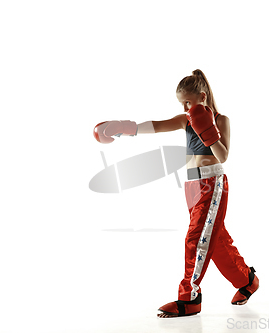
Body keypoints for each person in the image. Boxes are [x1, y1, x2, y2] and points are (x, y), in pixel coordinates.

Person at [93, 69, 259, 318]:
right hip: (192, 187)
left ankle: (189, 297)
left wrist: (208, 129)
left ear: (202, 97)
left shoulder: (221, 120)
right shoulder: (186, 120)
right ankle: (247, 280)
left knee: (197, 238)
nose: (185, 107)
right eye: (182, 103)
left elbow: (223, 155)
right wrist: (125, 128)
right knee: (217, 240)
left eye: (188, 102)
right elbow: (158, 127)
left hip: (212, 183)